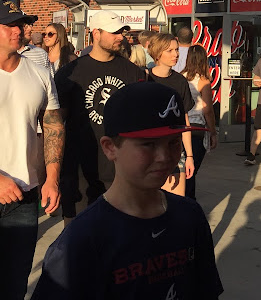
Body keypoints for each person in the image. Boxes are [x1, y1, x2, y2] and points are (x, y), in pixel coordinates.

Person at [31, 81, 223, 299]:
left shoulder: (190, 217)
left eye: (173, 142)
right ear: (110, 148)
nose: (164, 157)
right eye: (148, 144)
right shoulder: (82, 240)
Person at [55, 10, 145, 226]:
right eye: (114, 33)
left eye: (121, 32)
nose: (120, 37)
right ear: (96, 33)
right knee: (75, 233)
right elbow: (57, 123)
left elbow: (141, 121)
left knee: (120, 232)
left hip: (120, 167)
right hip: (79, 168)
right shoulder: (70, 73)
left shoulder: (134, 73)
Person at [0, 0, 65, 300]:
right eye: (11, 25)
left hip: (25, 197)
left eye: (21, 24)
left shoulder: (39, 73)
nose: (19, 30)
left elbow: (53, 125)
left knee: (15, 282)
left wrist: (52, 178)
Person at [147, 33, 195, 196]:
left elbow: (184, 120)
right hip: (148, 151)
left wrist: (189, 155)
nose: (176, 54)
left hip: (174, 150)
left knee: (175, 205)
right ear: (158, 53)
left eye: (176, 50)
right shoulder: (145, 78)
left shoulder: (180, 81)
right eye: (170, 50)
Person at [182, 45, 218, 200]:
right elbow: (207, 110)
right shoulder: (203, 81)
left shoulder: (179, 77)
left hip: (181, 127)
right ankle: (189, 202)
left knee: (183, 168)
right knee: (192, 171)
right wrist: (213, 132)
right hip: (197, 128)